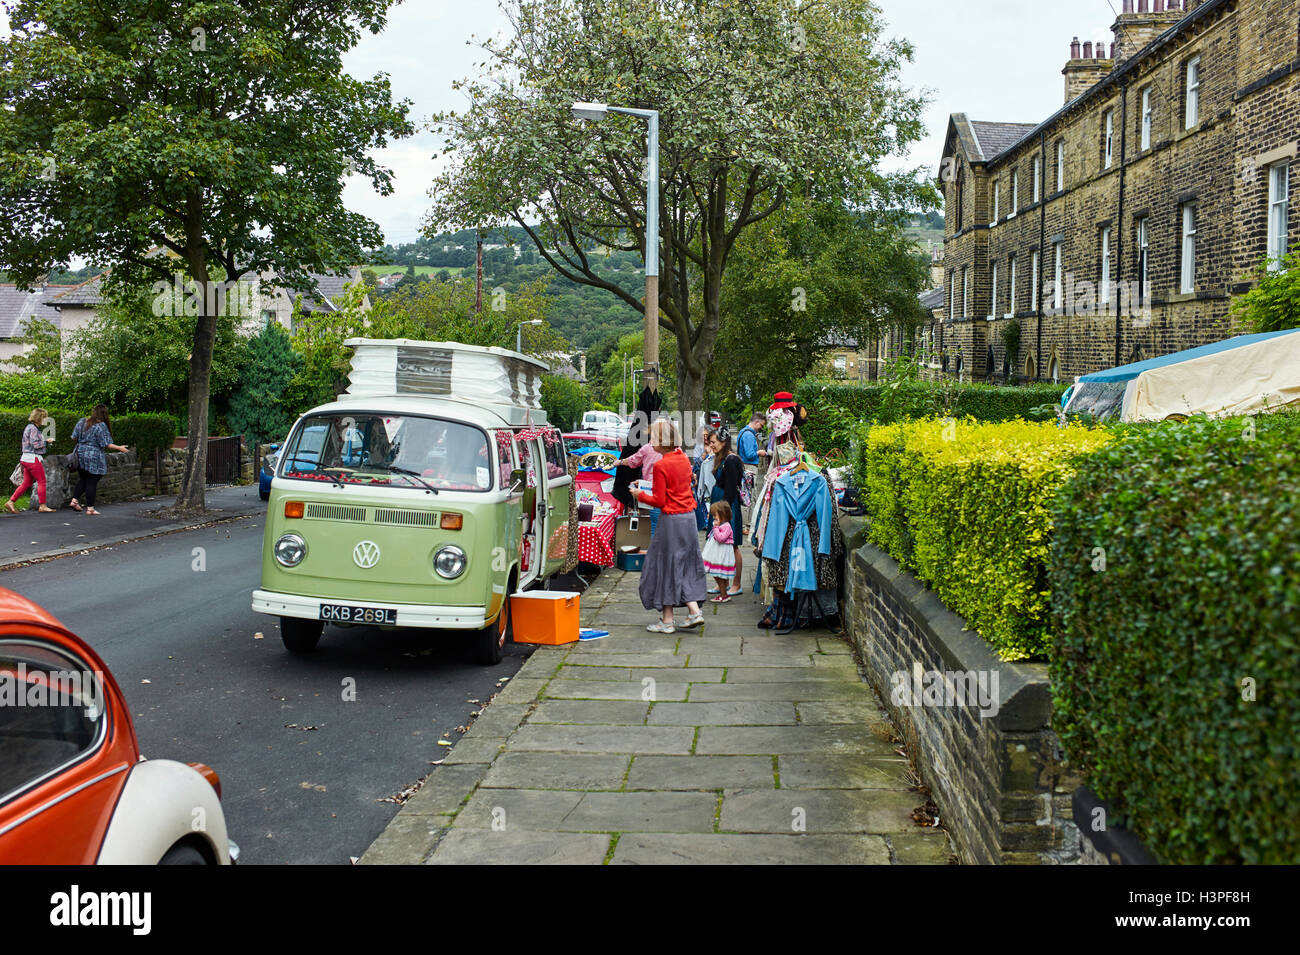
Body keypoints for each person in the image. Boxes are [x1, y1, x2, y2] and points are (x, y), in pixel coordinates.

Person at [636, 418, 705, 633]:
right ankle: (670, 619)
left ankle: (688, 613)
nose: (650, 441)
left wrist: (639, 494)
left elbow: (658, 501)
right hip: (688, 518)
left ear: (662, 440)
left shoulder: (660, 465)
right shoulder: (684, 459)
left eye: (653, 437)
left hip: (671, 521)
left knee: (665, 565)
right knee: (681, 564)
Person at [68, 405, 128, 515]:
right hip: (93, 456)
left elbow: (73, 437)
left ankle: (74, 500)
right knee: (92, 481)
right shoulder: (101, 426)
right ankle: (90, 508)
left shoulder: (82, 422)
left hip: (79, 454)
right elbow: (106, 444)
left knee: (83, 479)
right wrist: (120, 448)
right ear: (105, 414)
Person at [706, 429, 745, 596]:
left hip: (726, 508)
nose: (711, 445)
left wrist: (722, 517)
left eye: (713, 442)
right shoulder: (721, 458)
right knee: (718, 544)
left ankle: (736, 584)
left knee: (732, 545)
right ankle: (723, 583)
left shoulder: (731, 461)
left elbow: (730, 490)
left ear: (723, 442)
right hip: (719, 505)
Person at [6, 408, 55, 514]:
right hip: (32, 459)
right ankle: (42, 505)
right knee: (42, 481)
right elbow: (35, 444)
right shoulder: (33, 429)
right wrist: (46, 440)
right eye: (44, 417)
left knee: (27, 483)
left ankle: (10, 502)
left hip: (26, 458)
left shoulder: (31, 427)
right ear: (39, 418)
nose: (46, 419)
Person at [614, 437, 662, 534]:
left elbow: (633, 461)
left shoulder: (648, 448)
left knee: (655, 529)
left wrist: (619, 462)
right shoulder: (676, 450)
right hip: (671, 497)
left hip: (652, 492)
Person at [736, 412, 765, 534]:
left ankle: (744, 525)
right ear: (757, 422)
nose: (761, 428)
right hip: (749, 468)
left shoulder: (743, 432)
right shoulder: (749, 435)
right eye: (761, 425)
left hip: (745, 467)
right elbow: (749, 454)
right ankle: (744, 526)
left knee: (745, 495)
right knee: (748, 497)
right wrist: (759, 452)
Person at [701, 501, 737, 602]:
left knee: (718, 575)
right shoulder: (722, 525)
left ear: (723, 515)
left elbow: (720, 539)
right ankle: (723, 593)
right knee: (716, 574)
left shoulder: (726, 526)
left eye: (715, 515)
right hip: (716, 554)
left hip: (721, 555)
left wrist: (716, 528)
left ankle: (723, 595)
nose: (714, 518)